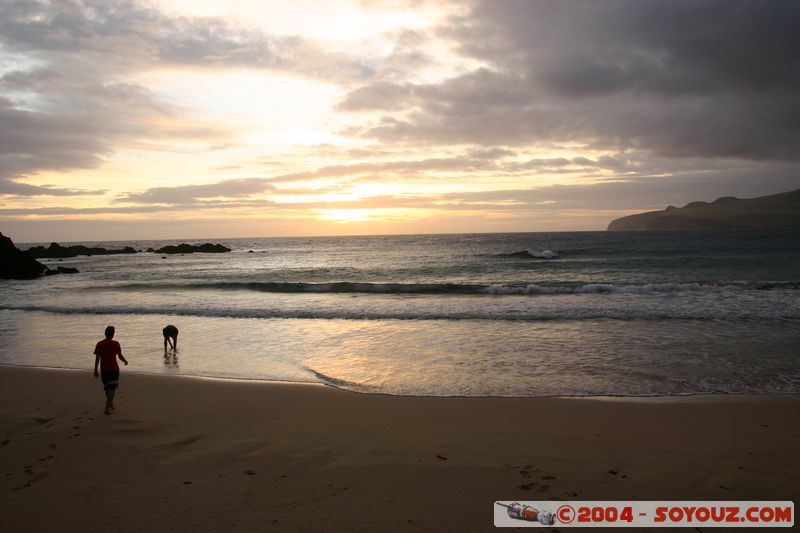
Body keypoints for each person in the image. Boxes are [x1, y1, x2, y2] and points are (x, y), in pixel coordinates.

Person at [93, 325, 128, 415]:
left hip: (104, 370)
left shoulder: (99, 344)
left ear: (105, 333)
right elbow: (119, 356)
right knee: (112, 389)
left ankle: (110, 403)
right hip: (113, 369)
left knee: (107, 389)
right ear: (113, 334)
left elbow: (97, 358)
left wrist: (95, 369)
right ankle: (107, 409)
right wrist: (125, 361)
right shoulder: (115, 343)